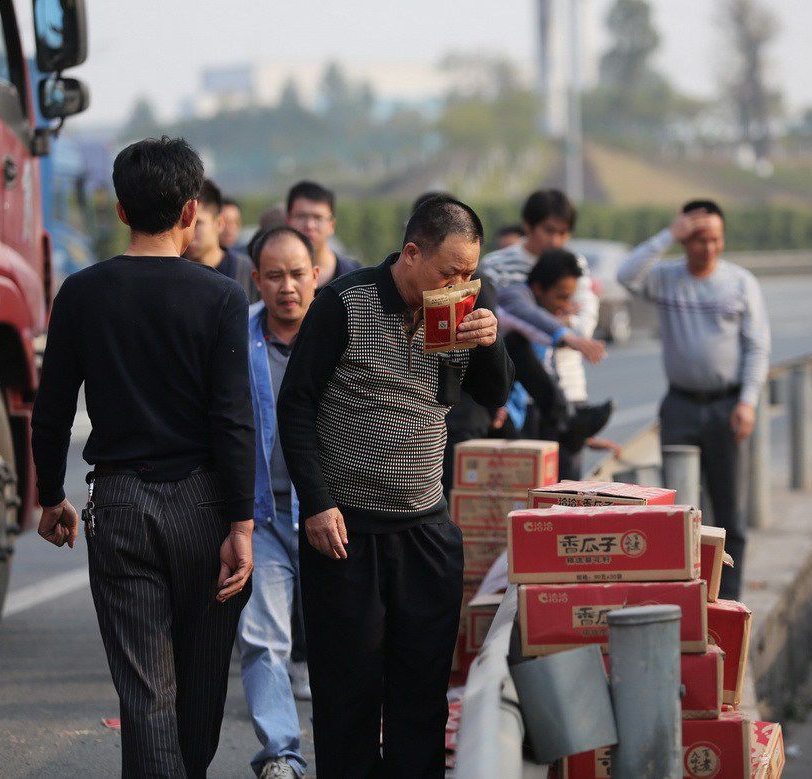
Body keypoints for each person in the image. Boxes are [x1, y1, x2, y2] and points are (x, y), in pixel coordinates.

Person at [31, 136, 255, 777]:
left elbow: (50, 410)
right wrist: (240, 524)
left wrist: (52, 496)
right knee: (203, 682)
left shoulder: (81, 292)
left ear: (121, 211)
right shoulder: (219, 297)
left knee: (145, 693)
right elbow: (233, 417)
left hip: (122, 504)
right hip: (205, 506)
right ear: (192, 211)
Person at [278, 196, 514, 776]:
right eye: (447, 272)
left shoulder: (465, 305)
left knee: (421, 693)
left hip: (425, 530)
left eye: (469, 273)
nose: (458, 284)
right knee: (348, 696)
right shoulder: (343, 303)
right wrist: (317, 501)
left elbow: (496, 393)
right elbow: (296, 404)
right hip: (347, 532)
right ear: (411, 254)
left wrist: (490, 339)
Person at [617, 200, 771, 600]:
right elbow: (625, 274)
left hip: (727, 406)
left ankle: (729, 600)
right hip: (680, 405)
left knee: (729, 512)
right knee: (679, 513)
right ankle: (683, 596)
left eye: (715, 239)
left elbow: (757, 347)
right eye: (699, 239)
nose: (709, 248)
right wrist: (669, 234)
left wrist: (748, 402)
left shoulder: (740, 283)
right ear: (686, 239)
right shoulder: (666, 279)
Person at [236, 226, 321, 779]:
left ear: (317, 275)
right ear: (256, 281)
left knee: (345, 640)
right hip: (263, 514)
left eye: (297, 274)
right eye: (274, 276)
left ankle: (348, 752)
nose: (287, 287)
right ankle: (282, 755)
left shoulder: (340, 337)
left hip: (329, 512)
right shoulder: (234, 339)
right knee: (264, 639)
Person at [482, 189, 611, 478]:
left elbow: (583, 325)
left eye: (564, 233)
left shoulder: (573, 264)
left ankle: (567, 421)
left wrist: (560, 325)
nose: (556, 241)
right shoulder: (497, 265)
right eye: (549, 231)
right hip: (519, 394)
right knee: (526, 487)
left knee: (568, 489)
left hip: (568, 388)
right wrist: (555, 320)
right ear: (528, 226)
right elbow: (503, 317)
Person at [499, 249, 616, 459]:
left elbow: (547, 371)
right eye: (561, 297)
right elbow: (530, 316)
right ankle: (567, 422)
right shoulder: (514, 296)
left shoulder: (548, 323)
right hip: (500, 409)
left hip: (530, 412)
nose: (565, 305)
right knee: (517, 344)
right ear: (538, 288)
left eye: (569, 298)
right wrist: (567, 336)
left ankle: (567, 422)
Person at [184, 178, 259, 302]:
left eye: (197, 224)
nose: (189, 230)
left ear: (219, 223)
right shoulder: (173, 273)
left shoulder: (248, 272)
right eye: (184, 223)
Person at [285, 180, 360, 287]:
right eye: (301, 216)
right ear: (287, 221)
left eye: (318, 218)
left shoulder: (354, 277)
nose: (309, 225)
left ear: (331, 225)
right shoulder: (269, 274)